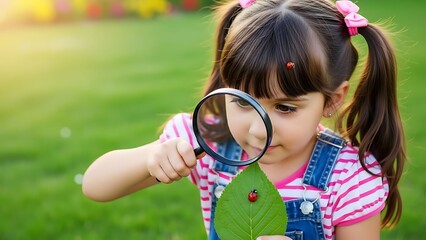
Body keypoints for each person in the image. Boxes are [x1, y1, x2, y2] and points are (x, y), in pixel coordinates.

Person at [82, 0, 407, 239]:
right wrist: (151, 158)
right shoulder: (206, 140)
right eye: (241, 101)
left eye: (285, 108)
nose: (255, 130)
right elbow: (95, 185)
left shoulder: (348, 177)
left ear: (333, 100)